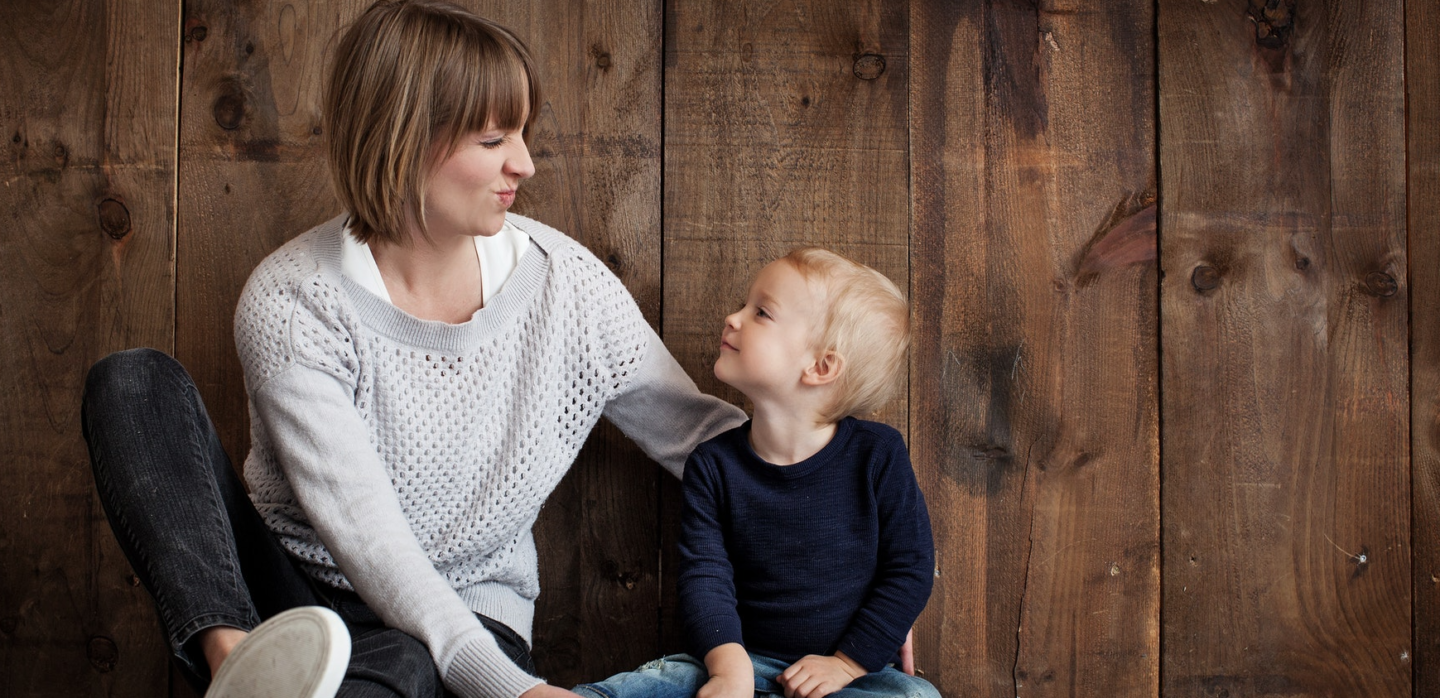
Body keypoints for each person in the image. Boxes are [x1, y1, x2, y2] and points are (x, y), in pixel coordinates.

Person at [79, 1, 746, 697]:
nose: (525, 163)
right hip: (292, 602)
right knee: (132, 384)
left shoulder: (567, 288)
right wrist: (518, 692)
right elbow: (369, 539)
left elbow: (702, 438)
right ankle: (237, 664)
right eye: (493, 140)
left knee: (399, 661)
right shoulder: (294, 300)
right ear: (402, 139)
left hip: (466, 616)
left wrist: (862, 478)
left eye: (522, 134)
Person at [572, 249, 938, 698]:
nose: (733, 317)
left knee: (915, 696)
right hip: (743, 658)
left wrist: (847, 664)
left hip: (852, 672)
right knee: (654, 683)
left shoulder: (878, 455)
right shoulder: (713, 465)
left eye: (761, 312)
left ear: (821, 366)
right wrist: (729, 671)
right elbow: (705, 577)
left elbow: (911, 568)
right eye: (745, 305)